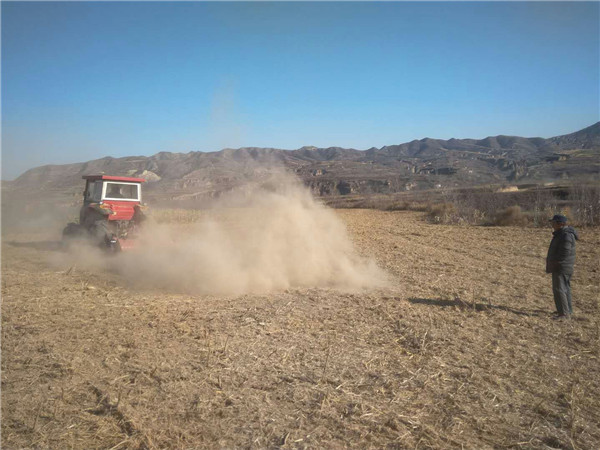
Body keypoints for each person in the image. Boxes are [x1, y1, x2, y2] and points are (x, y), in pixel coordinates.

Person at [546, 214, 578, 319]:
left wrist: (555, 262)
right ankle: (566, 310)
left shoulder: (566, 235)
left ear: (560, 224)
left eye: (554, 222)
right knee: (564, 288)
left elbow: (564, 252)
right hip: (562, 266)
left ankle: (564, 313)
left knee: (560, 289)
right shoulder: (562, 233)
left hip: (561, 267)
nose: (552, 224)